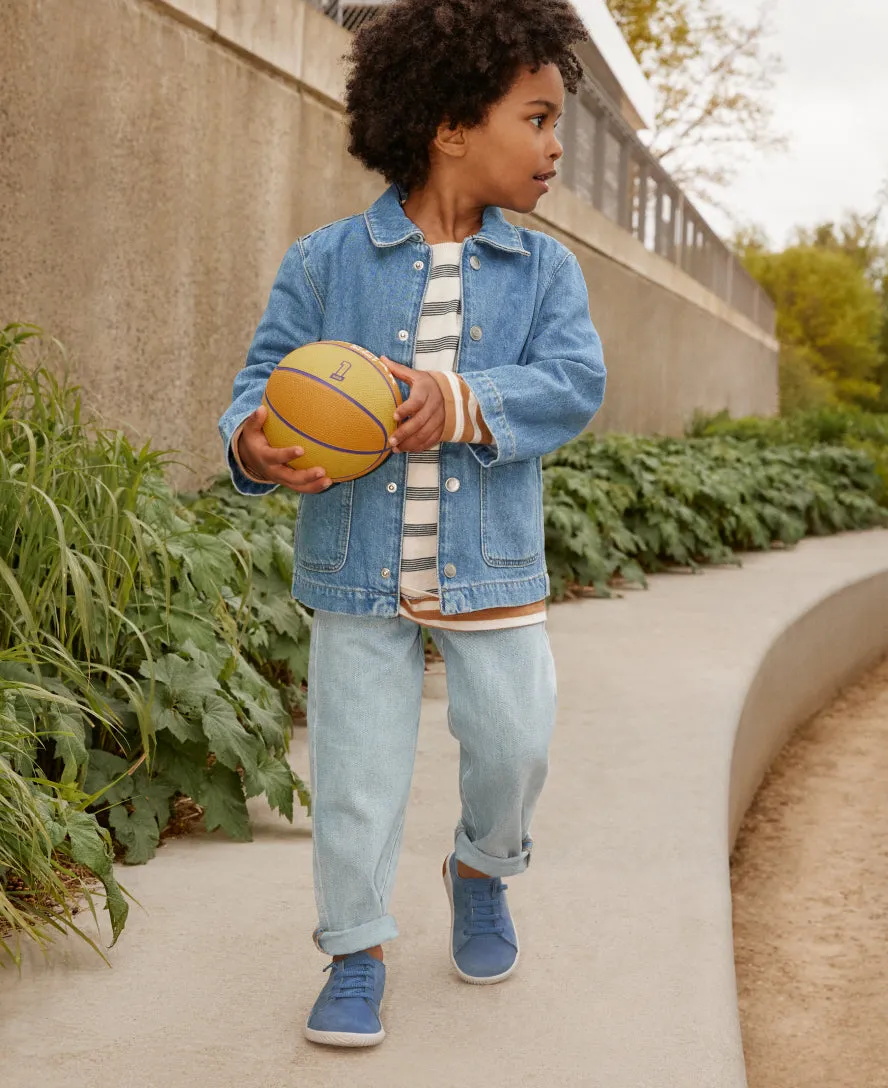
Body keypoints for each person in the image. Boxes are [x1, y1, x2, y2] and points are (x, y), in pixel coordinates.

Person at [218, 0, 605, 1049]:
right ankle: (356, 950)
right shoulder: (325, 263)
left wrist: (462, 400)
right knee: (354, 775)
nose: (556, 146)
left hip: (492, 566)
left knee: (515, 744)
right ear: (450, 126)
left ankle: (480, 866)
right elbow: (261, 383)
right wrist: (255, 441)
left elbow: (574, 383)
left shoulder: (546, 273)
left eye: (557, 122)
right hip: (356, 567)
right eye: (536, 119)